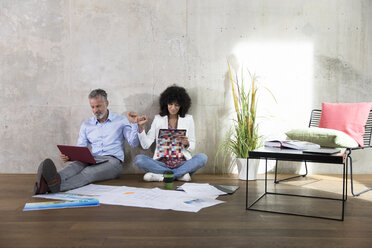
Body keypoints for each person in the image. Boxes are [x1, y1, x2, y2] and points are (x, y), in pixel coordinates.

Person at [34, 89, 140, 194]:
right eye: (92, 107)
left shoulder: (121, 120)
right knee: (74, 166)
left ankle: (48, 187)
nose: (95, 110)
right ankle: (53, 180)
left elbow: (133, 143)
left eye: (98, 106)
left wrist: (134, 124)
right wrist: (69, 156)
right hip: (91, 159)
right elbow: (81, 149)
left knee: (88, 172)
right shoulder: (86, 125)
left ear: (106, 103)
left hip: (113, 162)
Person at [134, 85, 207, 182]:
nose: (173, 108)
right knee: (139, 159)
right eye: (170, 104)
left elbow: (192, 145)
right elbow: (146, 145)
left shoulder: (188, 119)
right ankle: (179, 175)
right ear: (166, 103)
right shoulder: (158, 119)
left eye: (177, 105)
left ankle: (163, 176)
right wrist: (140, 127)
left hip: (182, 163)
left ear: (181, 105)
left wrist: (187, 144)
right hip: (161, 164)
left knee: (202, 158)